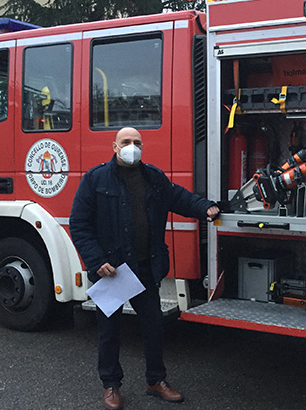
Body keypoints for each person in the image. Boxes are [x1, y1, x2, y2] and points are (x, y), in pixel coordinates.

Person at [70, 127, 220, 410]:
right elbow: (79, 224)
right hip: (112, 271)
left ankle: (156, 380)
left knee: (153, 327)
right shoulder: (95, 179)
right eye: (126, 142)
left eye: (137, 142)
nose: (132, 147)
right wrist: (96, 260)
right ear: (114, 146)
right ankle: (111, 386)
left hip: (144, 268)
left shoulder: (153, 178)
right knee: (109, 332)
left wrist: (206, 208)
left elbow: (181, 198)